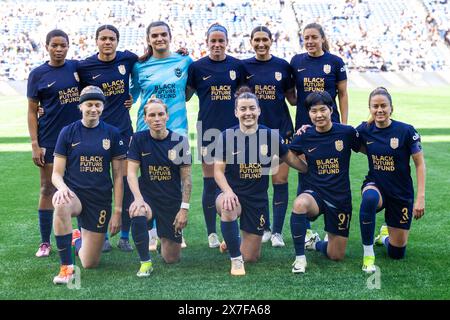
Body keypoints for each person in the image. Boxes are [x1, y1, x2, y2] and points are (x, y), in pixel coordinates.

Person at [214, 87, 307, 276]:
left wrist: (310, 169)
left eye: (251, 108)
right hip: (232, 194)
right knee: (228, 205)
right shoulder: (226, 136)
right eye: (243, 109)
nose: (248, 113)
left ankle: (231, 239)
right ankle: (235, 259)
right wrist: (228, 191)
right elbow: (218, 172)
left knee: (252, 257)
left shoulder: (270, 136)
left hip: (257, 200)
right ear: (236, 112)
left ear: (259, 110)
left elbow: (290, 159)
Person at [51, 86, 126, 284]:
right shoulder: (68, 132)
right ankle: (67, 268)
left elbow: (118, 176)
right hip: (74, 195)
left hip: (99, 199)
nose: (93, 108)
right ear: (80, 106)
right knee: (60, 203)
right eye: (89, 104)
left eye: (97, 105)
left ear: (102, 108)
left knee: (90, 262)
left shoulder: (112, 133)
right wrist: (63, 188)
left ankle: (76, 237)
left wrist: (117, 211)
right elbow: (56, 174)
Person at [77, 25, 138, 252]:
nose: (107, 42)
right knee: (98, 182)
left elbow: (146, 56)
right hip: (96, 130)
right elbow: (68, 88)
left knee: (124, 180)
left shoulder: (127, 60)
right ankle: (98, 234)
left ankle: (124, 235)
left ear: (117, 41)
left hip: (122, 131)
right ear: (96, 41)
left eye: (111, 38)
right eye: (103, 38)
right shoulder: (84, 66)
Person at [187, 23, 248, 249]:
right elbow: (185, 95)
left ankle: (233, 229)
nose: (217, 45)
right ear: (206, 42)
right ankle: (212, 232)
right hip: (209, 131)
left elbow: (244, 96)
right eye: (213, 41)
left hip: (235, 132)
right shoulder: (197, 67)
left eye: (220, 41)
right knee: (210, 182)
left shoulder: (237, 66)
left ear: (227, 42)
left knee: (234, 180)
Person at [290, 22, 349, 245]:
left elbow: (342, 94)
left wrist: (343, 124)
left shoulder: (335, 62)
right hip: (306, 128)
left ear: (323, 39)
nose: (310, 41)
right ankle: (305, 231)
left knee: (333, 172)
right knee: (304, 173)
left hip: (331, 129)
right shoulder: (296, 61)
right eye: (306, 38)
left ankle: (331, 226)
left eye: (314, 37)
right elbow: (291, 93)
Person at [288, 91, 360, 274]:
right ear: (309, 114)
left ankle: (317, 244)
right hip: (315, 194)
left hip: (340, 197)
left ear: (331, 109)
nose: (319, 115)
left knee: (336, 255)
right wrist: (303, 168)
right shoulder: (304, 135)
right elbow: (288, 155)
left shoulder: (347, 132)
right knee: (299, 204)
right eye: (314, 111)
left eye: (323, 110)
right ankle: (300, 258)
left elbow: (369, 146)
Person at [356, 87, 426, 273]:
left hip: (401, 192)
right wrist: (308, 129)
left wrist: (420, 198)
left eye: (383, 106)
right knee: (369, 198)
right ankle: (368, 254)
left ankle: (384, 237)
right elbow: (340, 134)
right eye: (375, 106)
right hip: (376, 185)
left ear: (391, 108)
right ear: (370, 108)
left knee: (397, 253)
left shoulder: (406, 131)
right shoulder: (365, 129)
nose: (379, 110)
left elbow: (419, 164)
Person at [27, 29, 81, 258]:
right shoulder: (37, 74)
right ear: (46, 46)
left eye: (63, 45)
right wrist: (34, 143)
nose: (59, 49)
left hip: (77, 139)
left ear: (69, 46)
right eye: (54, 45)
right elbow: (31, 111)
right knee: (47, 188)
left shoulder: (77, 68)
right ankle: (45, 242)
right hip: (49, 138)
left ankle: (79, 235)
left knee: (80, 185)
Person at [242, 26, 296, 247]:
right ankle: (263, 227)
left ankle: (277, 232)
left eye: (265, 39)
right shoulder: (244, 66)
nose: (261, 44)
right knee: (259, 182)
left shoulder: (283, 66)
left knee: (280, 180)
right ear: (251, 41)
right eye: (257, 40)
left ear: (271, 41)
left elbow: (292, 98)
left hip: (281, 129)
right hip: (255, 133)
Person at [127, 98, 192, 277]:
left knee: (171, 258)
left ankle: (160, 234)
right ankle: (145, 262)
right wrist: (138, 199)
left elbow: (187, 180)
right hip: (148, 197)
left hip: (170, 200)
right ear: (145, 118)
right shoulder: (138, 139)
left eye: (160, 114)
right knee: (138, 211)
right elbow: (131, 173)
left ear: (167, 116)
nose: (157, 118)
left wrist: (183, 209)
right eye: (152, 115)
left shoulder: (180, 141)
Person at [130, 21, 193, 136]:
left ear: (170, 37)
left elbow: (191, 92)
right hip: (146, 130)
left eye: (164, 34)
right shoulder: (139, 66)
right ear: (148, 40)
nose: (160, 38)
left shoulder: (185, 61)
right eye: (154, 36)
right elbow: (131, 98)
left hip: (177, 131)